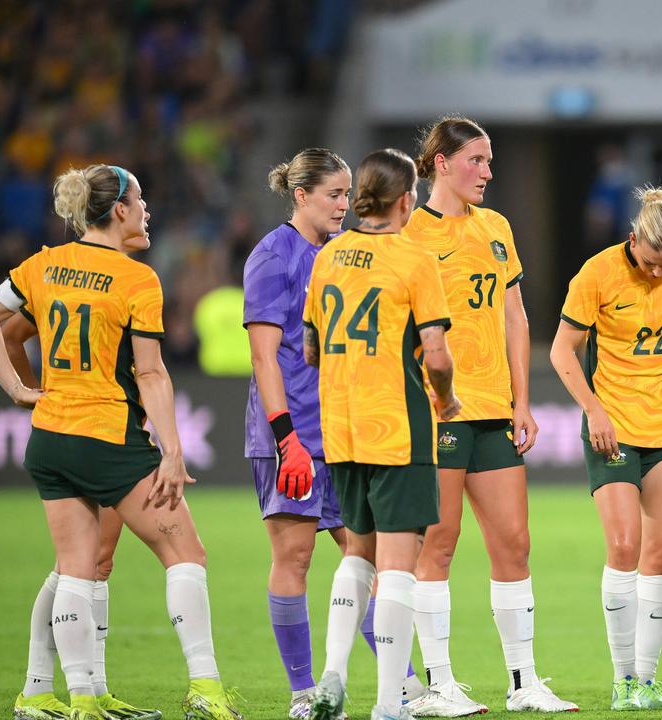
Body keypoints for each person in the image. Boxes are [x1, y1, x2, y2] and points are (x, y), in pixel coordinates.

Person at [0, 164, 242, 720]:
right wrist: (171, 450)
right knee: (185, 553)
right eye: (140, 201)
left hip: (50, 437)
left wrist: (21, 391)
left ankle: (76, 698)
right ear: (119, 210)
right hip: (108, 436)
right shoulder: (137, 279)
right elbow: (152, 374)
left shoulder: (43, 265)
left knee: (79, 565)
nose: (147, 211)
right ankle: (207, 691)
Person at [402, 116, 577, 714]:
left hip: (494, 410)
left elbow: (515, 317)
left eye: (491, 159)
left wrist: (522, 400)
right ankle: (438, 684)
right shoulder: (409, 234)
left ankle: (524, 682)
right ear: (441, 163)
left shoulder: (497, 227)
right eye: (476, 159)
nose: (487, 171)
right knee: (439, 545)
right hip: (437, 412)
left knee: (515, 543)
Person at [550, 187, 662, 711]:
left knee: (659, 554)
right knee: (624, 546)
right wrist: (593, 409)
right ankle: (622, 678)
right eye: (650, 263)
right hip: (614, 427)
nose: (657, 273)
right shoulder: (597, 273)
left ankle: (646, 682)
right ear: (633, 241)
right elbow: (562, 350)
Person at [303, 148, 460, 720]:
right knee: (399, 564)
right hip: (397, 425)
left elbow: (312, 347)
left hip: (341, 427)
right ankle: (390, 703)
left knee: (357, 555)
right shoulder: (415, 258)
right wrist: (444, 398)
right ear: (404, 199)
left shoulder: (329, 256)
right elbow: (437, 357)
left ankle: (332, 677)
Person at [246, 147, 390, 719]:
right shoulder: (271, 256)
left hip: (346, 430)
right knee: (296, 557)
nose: (344, 204)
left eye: (347, 193)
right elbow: (264, 359)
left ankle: (398, 681)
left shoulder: (343, 254)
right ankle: (303, 692)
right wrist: (287, 440)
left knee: (368, 557)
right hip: (293, 436)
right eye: (334, 194)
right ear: (300, 195)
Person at [2, 299, 160, 720]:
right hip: (88, 433)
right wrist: (38, 394)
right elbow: (10, 334)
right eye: (141, 224)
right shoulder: (76, 280)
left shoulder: (128, 284)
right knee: (75, 566)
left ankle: (94, 689)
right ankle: (37, 690)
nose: (146, 227)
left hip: (119, 431)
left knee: (97, 563)